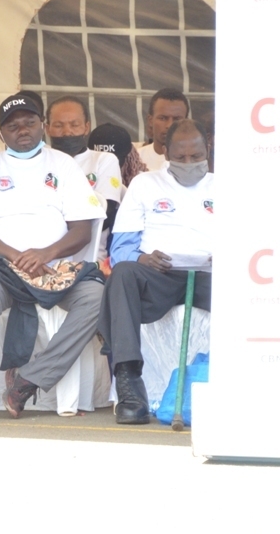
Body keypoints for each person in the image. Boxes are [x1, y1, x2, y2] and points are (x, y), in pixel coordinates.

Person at [0, 93, 105, 423]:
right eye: (13, 126)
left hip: (55, 269)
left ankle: (29, 381)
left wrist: (45, 253)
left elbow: (82, 231)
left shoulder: (63, 165)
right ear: (0, 134)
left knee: (97, 295)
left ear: (42, 126)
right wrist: (17, 256)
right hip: (2, 269)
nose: (23, 130)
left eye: (30, 123)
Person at [97, 119, 213, 424]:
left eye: (196, 156)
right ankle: (130, 385)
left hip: (212, 276)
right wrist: (142, 258)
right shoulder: (145, 184)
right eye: (180, 157)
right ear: (165, 153)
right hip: (159, 275)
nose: (189, 163)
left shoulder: (226, 186)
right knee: (123, 273)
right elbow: (120, 248)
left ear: (208, 150)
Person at [45, 95, 124, 261]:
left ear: (87, 127)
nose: (67, 132)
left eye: (74, 125)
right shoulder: (40, 162)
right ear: (47, 128)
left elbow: (106, 213)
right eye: (58, 126)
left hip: (89, 257)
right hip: (40, 254)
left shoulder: (103, 160)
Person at [138, 89, 189, 171]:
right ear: (150, 120)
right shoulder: (136, 159)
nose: (169, 125)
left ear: (186, 122)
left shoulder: (194, 162)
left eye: (177, 119)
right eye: (163, 118)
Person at [88, 123, 148, 188]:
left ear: (130, 158)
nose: (107, 170)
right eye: (101, 164)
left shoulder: (145, 183)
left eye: (114, 165)